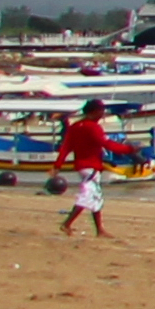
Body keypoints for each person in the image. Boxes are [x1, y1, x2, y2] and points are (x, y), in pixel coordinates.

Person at [53, 98, 116, 239]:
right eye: (101, 111)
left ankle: (99, 229)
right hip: (90, 167)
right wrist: (129, 149)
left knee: (95, 197)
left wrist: (58, 165)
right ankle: (67, 223)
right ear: (94, 112)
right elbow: (106, 144)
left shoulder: (76, 126)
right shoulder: (91, 127)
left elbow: (66, 148)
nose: (103, 114)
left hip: (85, 166)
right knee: (88, 196)